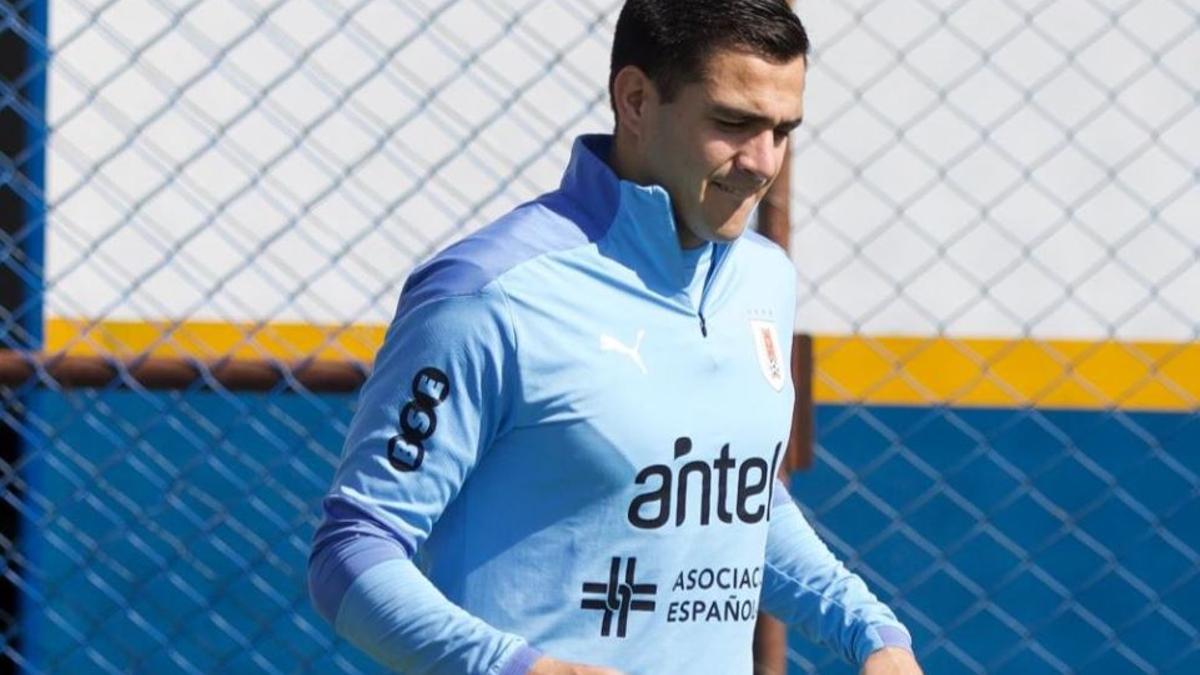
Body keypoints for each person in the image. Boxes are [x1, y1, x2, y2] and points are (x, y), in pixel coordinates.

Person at [308, 1, 922, 673]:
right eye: (733, 123)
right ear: (635, 100)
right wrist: (523, 668)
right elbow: (353, 550)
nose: (763, 161)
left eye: (783, 130)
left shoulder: (765, 280)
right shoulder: (488, 293)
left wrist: (871, 630)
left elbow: (738, 508)